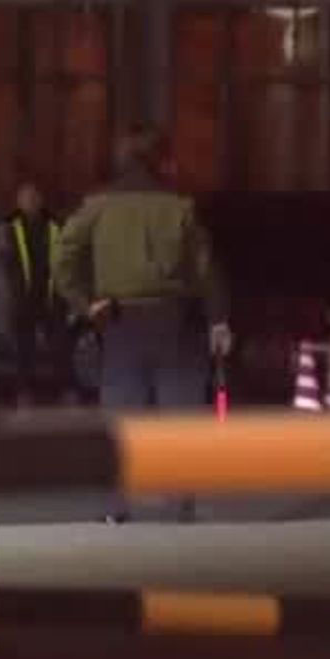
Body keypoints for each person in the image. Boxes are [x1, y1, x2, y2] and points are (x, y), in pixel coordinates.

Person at [53, 128, 233, 522]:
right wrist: (218, 320)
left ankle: (116, 508)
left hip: (120, 322)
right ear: (160, 161)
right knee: (181, 415)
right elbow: (206, 271)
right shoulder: (180, 207)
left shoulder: (97, 206)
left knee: (120, 418)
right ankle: (182, 503)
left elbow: (63, 261)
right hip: (175, 319)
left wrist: (87, 305)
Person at [0, 180, 73, 405]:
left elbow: (67, 261)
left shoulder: (55, 224)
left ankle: (66, 390)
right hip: (22, 300)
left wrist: (65, 293)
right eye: (27, 197)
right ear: (18, 201)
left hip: (51, 298)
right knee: (23, 352)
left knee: (59, 349)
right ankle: (24, 394)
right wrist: (9, 298)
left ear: (41, 200)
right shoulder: (8, 226)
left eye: (35, 197)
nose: (32, 201)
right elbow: (1, 265)